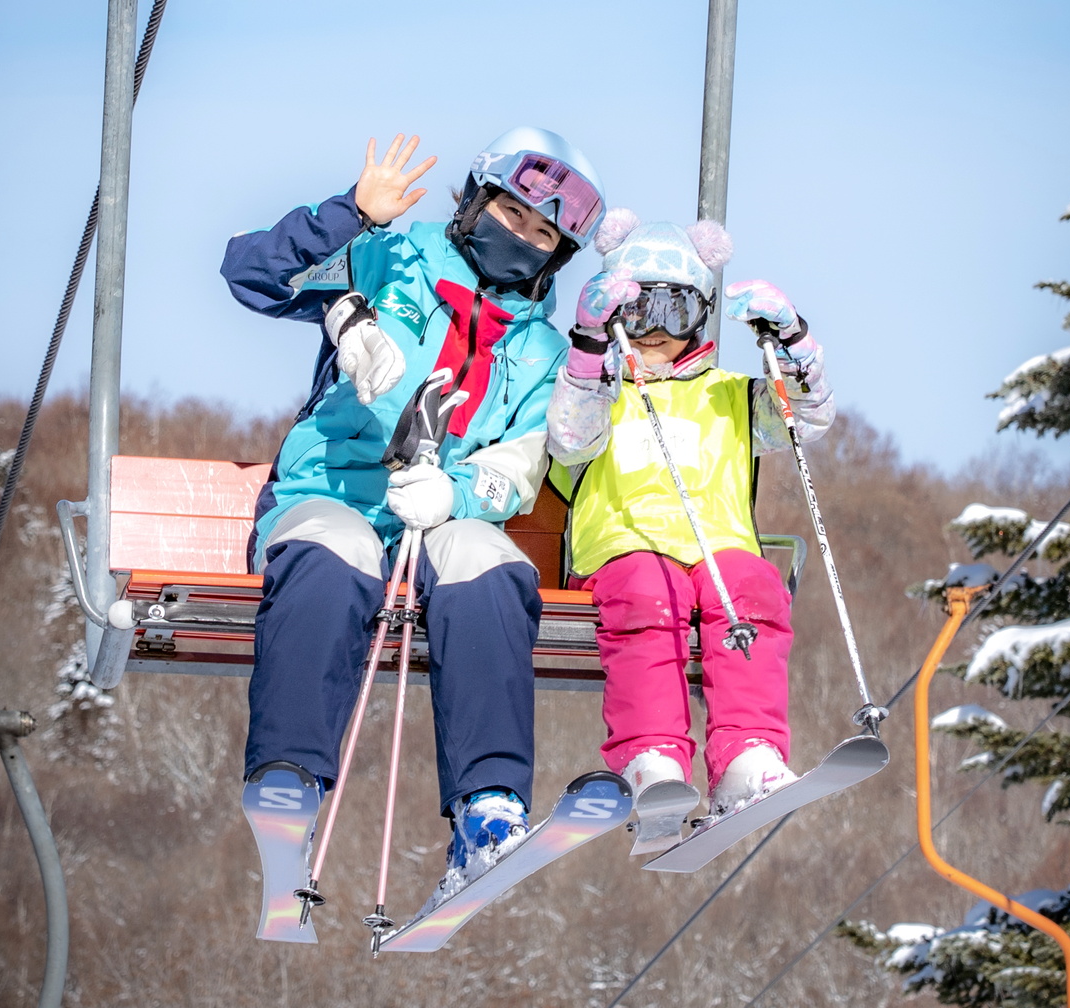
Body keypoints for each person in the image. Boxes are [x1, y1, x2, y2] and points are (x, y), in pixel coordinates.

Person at [221, 128, 605, 906]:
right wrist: (351, 215)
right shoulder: (385, 258)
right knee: (335, 550)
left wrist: (457, 496)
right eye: (510, 213)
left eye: (542, 235)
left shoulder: (539, 354)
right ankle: (289, 777)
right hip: (332, 491)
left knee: (490, 563)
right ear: (474, 203)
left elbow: (521, 463)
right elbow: (253, 273)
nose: (520, 240)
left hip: (435, 516)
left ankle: (488, 809)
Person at [545, 209, 835, 847]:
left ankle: (746, 757)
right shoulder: (598, 391)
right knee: (653, 593)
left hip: (718, 548)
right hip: (621, 552)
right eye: (638, 311)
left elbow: (807, 419)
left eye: (673, 312)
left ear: (700, 317)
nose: (653, 332)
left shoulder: (730, 393)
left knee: (754, 587)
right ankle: (653, 758)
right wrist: (591, 344)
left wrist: (793, 341)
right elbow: (568, 440)